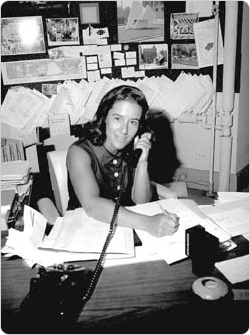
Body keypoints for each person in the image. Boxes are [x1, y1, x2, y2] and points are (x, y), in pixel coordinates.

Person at [66, 85, 179, 237]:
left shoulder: (131, 148)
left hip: (124, 225)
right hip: (85, 228)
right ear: (104, 116)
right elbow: (92, 205)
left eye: (133, 122)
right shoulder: (79, 152)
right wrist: (148, 223)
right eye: (118, 119)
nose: (124, 130)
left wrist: (142, 162)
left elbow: (141, 201)